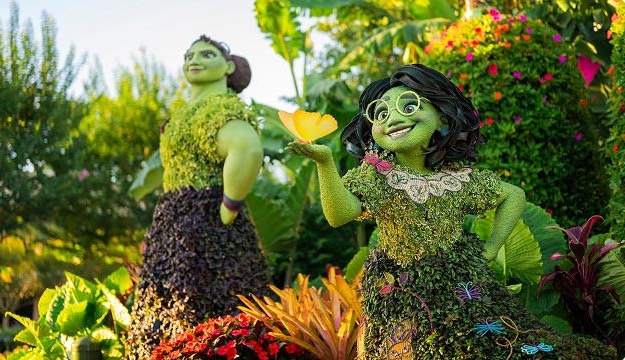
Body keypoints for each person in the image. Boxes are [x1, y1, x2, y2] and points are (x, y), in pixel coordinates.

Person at [287, 64, 615, 359]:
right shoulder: (377, 176)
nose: (394, 118)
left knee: (488, 344)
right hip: (399, 286)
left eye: (410, 105)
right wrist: (325, 162)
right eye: (381, 113)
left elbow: (513, 195)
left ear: (442, 117)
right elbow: (339, 215)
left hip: (463, 285)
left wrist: (491, 248)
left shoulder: (458, 179)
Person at [125, 35, 270, 358]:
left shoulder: (220, 108)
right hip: (173, 223)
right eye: (189, 55)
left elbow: (246, 148)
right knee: (168, 313)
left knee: (216, 316)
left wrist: (229, 206)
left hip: (207, 221)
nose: (195, 59)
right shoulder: (182, 114)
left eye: (207, 54)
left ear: (228, 66)